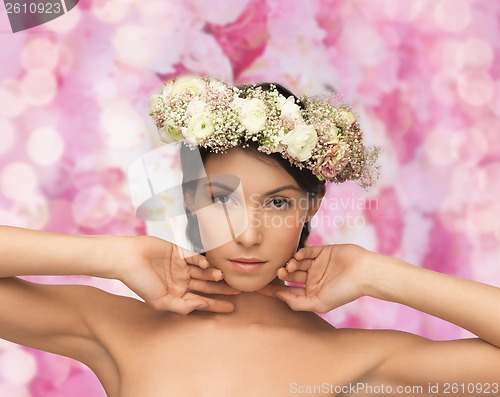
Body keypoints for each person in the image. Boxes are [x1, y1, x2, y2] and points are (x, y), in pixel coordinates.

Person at [1, 76, 500, 397]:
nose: (248, 234)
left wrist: (379, 273)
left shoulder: (358, 362)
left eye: (278, 202)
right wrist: (113, 255)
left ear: (311, 208)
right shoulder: (116, 327)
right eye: (221, 199)